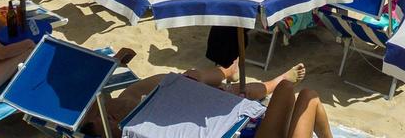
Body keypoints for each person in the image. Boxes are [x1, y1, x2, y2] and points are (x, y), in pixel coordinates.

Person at [88, 61, 309, 137]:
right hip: (187, 110)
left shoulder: (130, 96)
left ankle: (226, 72)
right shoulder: (123, 126)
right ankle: (274, 82)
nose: (105, 102)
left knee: (194, 78)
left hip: (178, 98)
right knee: (232, 94)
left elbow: (171, 80)